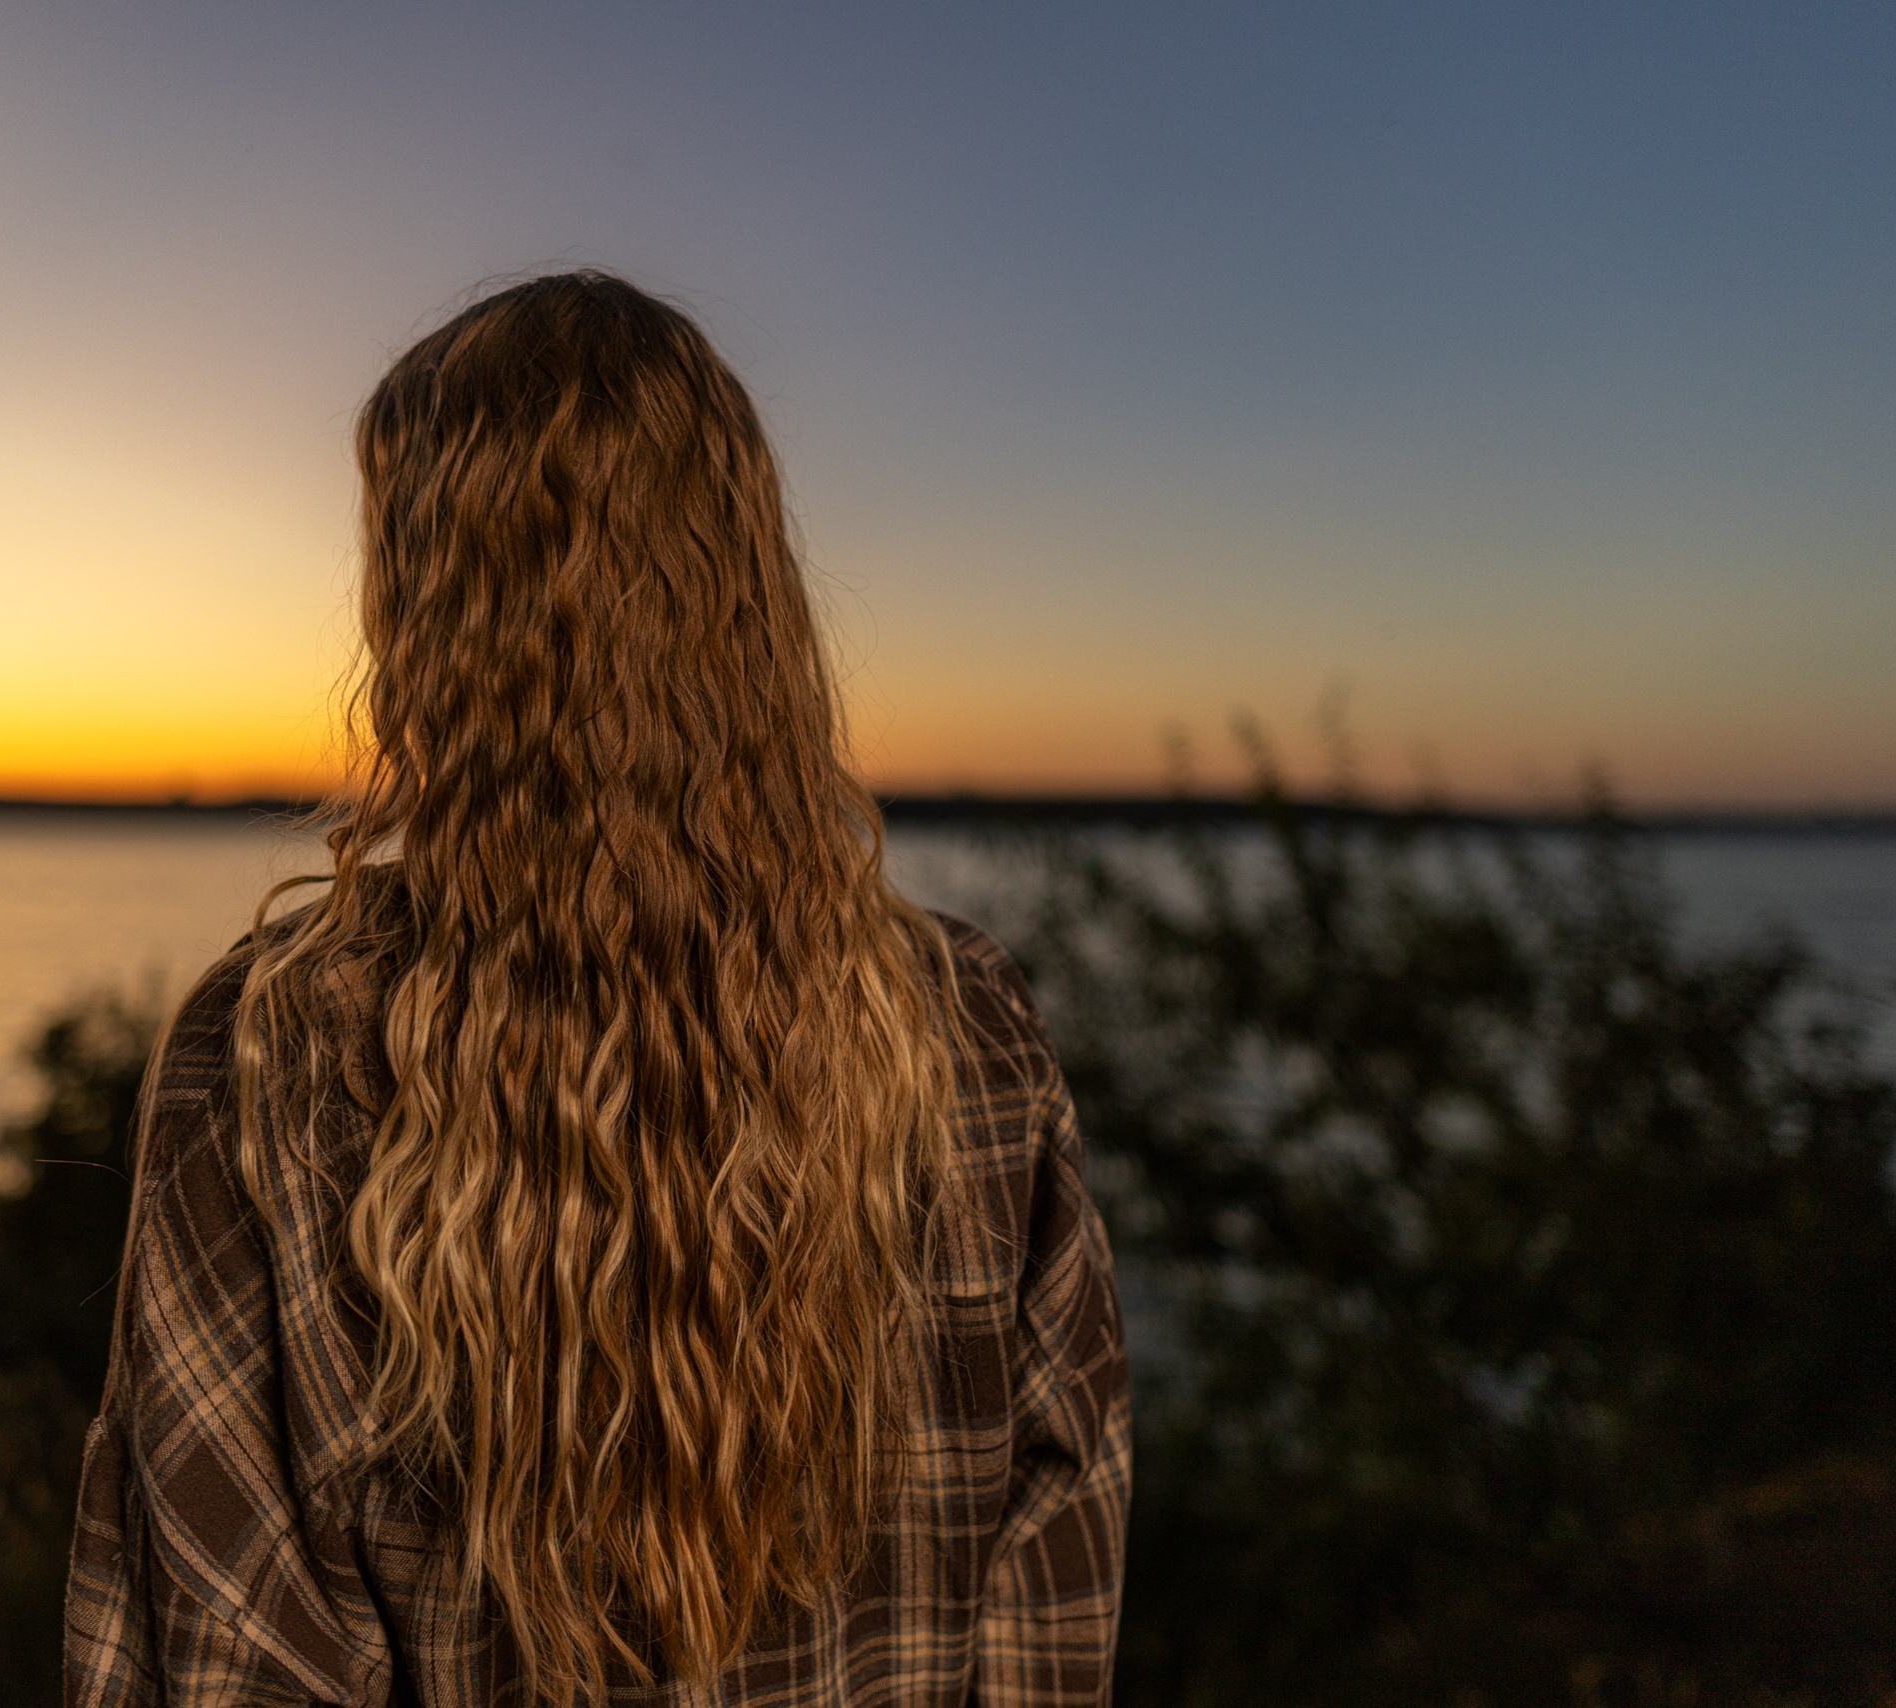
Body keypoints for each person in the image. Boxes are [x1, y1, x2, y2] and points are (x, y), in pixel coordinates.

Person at [63, 271, 1130, 1706]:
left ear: (430, 618)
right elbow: (1058, 1576)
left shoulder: (280, 1056)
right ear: (751, 594)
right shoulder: (967, 1023)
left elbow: (223, 1649)